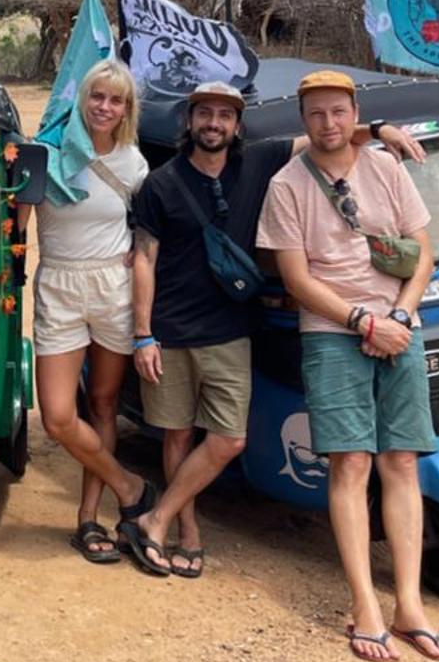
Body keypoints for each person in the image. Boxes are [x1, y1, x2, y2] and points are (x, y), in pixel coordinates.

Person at [122, 80, 423, 580]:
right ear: (190, 122)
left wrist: (382, 129)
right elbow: (145, 260)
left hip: (231, 329)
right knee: (176, 435)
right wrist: (143, 333)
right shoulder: (161, 183)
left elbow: (328, 136)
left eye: (224, 115)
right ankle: (185, 531)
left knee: (227, 439)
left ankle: (157, 516)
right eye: (205, 114)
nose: (214, 124)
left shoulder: (259, 162)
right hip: (171, 328)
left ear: (237, 125)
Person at [257, 72, 439, 662]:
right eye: (316, 114)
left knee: (401, 461)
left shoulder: (385, 168)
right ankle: (365, 604)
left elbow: (422, 251)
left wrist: (398, 314)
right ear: (304, 119)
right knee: (351, 463)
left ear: (354, 112)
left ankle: (410, 603)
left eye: (338, 112)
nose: (328, 124)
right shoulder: (287, 184)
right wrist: (364, 323)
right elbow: (296, 280)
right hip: (333, 334)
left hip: (401, 328)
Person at [30, 58, 159, 565]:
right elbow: (18, 216)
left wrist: (139, 248)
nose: (105, 107)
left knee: (103, 405)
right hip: (59, 284)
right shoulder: (48, 153)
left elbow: (148, 227)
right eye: (97, 96)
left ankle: (88, 517)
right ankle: (129, 487)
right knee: (60, 416)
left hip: (113, 285)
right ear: (81, 99)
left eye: (116, 99)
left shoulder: (133, 162)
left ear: (127, 108)